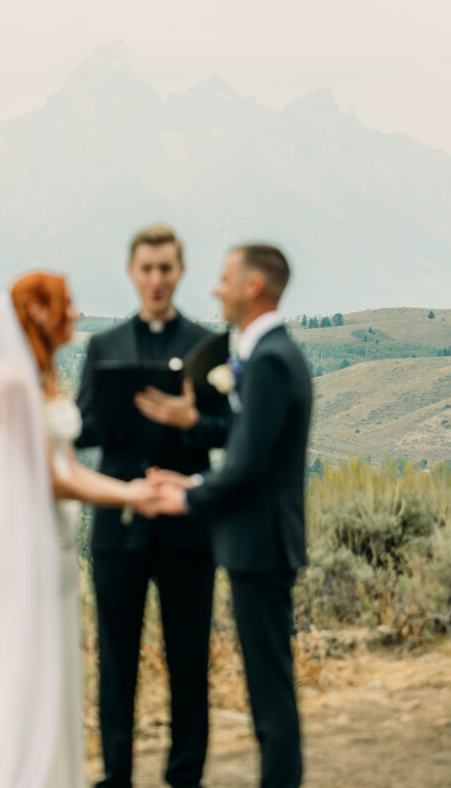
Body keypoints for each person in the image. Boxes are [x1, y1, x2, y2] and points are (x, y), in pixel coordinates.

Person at [0, 273, 159, 788]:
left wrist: (127, 488)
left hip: (53, 543)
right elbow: (51, 481)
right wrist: (130, 494)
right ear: (40, 313)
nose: (77, 313)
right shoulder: (14, 382)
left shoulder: (35, 378)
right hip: (31, 548)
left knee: (52, 666)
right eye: (67, 305)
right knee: (29, 669)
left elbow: (64, 467)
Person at [149, 244, 312, 788]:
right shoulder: (272, 355)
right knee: (269, 692)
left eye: (224, 279)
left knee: (270, 699)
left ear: (254, 287)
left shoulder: (267, 361)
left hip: (260, 544)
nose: (216, 289)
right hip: (261, 543)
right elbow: (244, 442)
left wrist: (188, 496)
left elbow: (245, 468)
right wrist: (194, 428)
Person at [76, 224, 231, 788]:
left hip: (188, 524)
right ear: (132, 273)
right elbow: (82, 428)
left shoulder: (207, 346)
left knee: (188, 658)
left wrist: (186, 421)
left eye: (166, 268)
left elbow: (227, 431)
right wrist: (120, 413)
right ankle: (116, 776)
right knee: (116, 660)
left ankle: (184, 775)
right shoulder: (104, 346)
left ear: (180, 271)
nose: (157, 279)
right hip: (119, 525)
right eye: (147, 268)